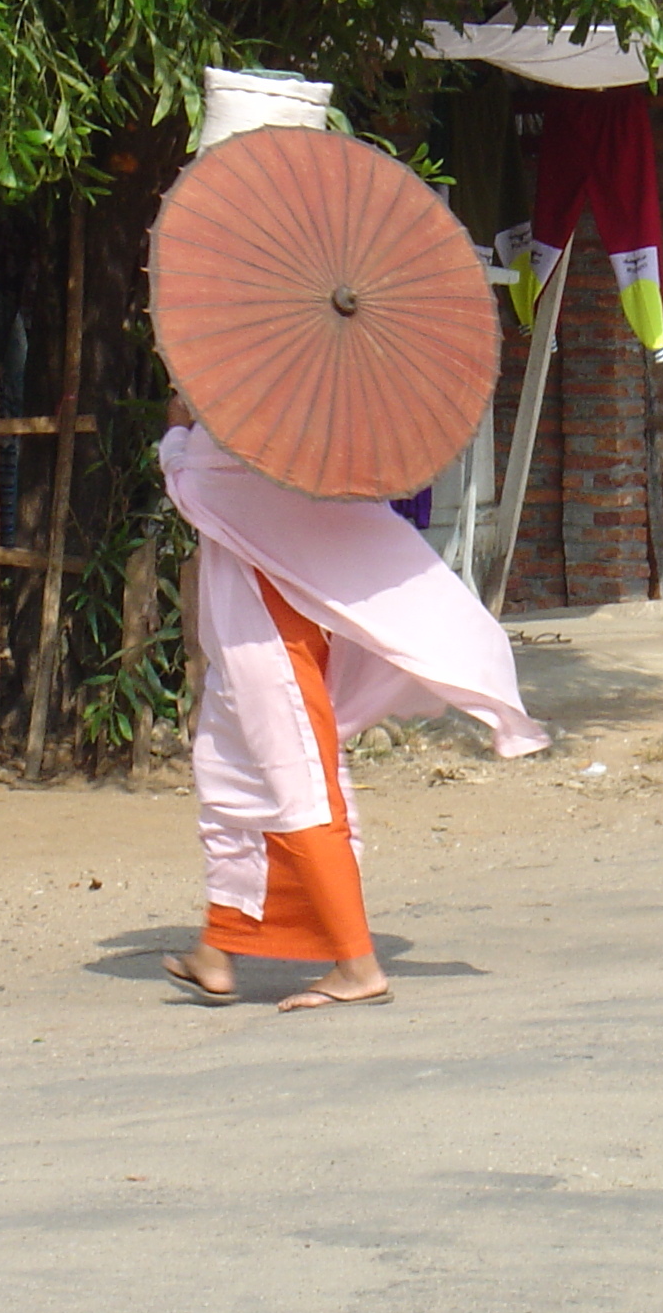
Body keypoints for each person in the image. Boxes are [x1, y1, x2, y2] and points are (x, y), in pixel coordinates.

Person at [157, 403, 546, 1009]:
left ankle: (357, 964)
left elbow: (187, 481)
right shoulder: (304, 435)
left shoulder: (242, 438)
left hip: (270, 644)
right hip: (251, 643)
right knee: (232, 783)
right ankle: (220, 946)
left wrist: (178, 428)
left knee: (301, 789)